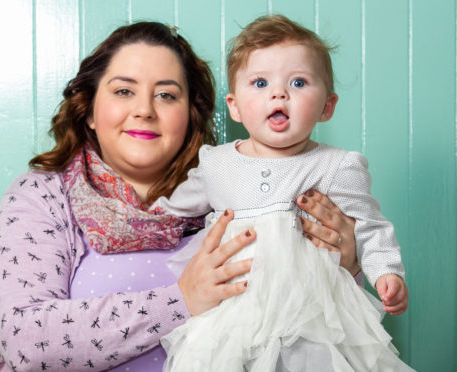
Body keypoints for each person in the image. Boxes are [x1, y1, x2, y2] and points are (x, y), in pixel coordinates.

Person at [0, 21, 360, 372]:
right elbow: (24, 339)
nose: (144, 110)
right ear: (90, 111)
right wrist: (180, 301)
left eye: (166, 95)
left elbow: (312, 334)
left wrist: (346, 266)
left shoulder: (243, 195)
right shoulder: (44, 197)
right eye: (124, 91)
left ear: (190, 116)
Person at [141, 15, 413, 371]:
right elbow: (174, 209)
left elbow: (369, 227)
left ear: (327, 106)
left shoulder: (336, 166)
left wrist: (386, 274)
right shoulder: (217, 163)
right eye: (259, 82)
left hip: (313, 317)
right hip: (235, 315)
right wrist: (145, 218)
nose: (278, 93)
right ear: (235, 106)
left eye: (298, 82)